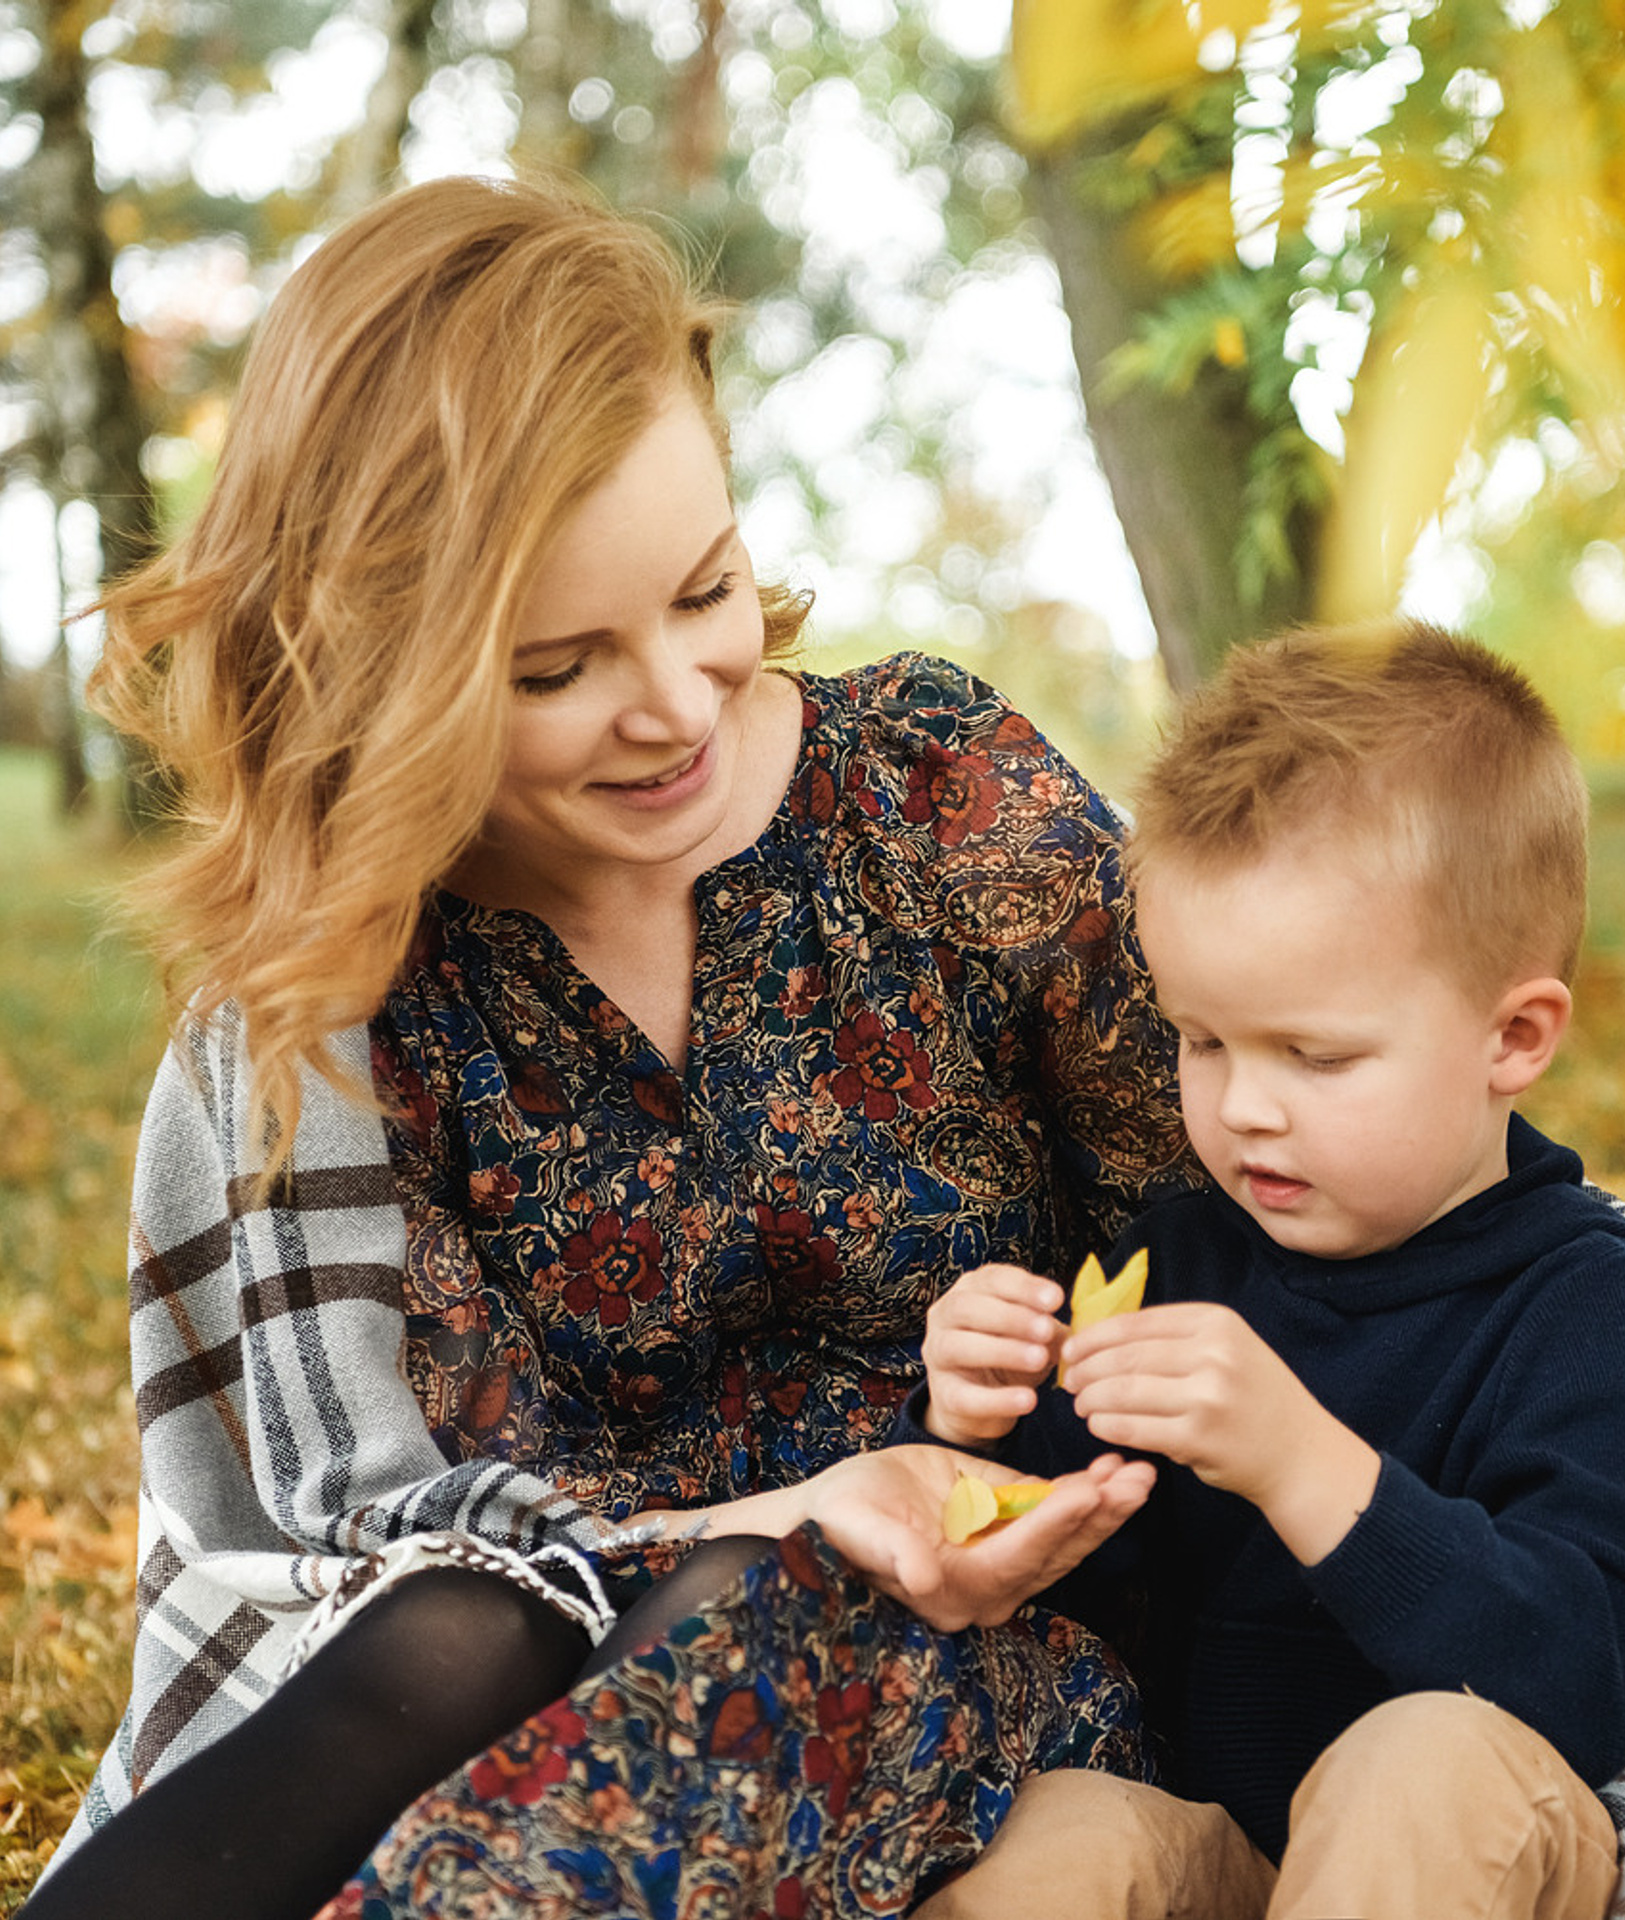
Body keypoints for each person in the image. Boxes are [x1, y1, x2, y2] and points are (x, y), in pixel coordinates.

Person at [23, 170, 1212, 1920]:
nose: (675, 703)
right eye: (556, 667)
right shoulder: (354, 995)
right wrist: (795, 1503)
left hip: (989, 1632)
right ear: (383, 676)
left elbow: (1248, 1210)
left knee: (749, 1631)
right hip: (544, 1636)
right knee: (468, 1629)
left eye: (706, 586)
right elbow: (380, 1534)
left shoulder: (943, 805)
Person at [905, 621, 1625, 1920]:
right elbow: (1080, 1565)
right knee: (1064, 1842)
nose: (1244, 1109)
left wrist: (1302, 1461)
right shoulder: (1183, 1258)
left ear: (1514, 1038)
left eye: (1313, 1057)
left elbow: (1603, 1672)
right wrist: (987, 1421)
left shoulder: (1583, 1297)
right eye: (1202, 1040)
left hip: (1495, 1855)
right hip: (1249, 1860)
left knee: (1415, 1764)